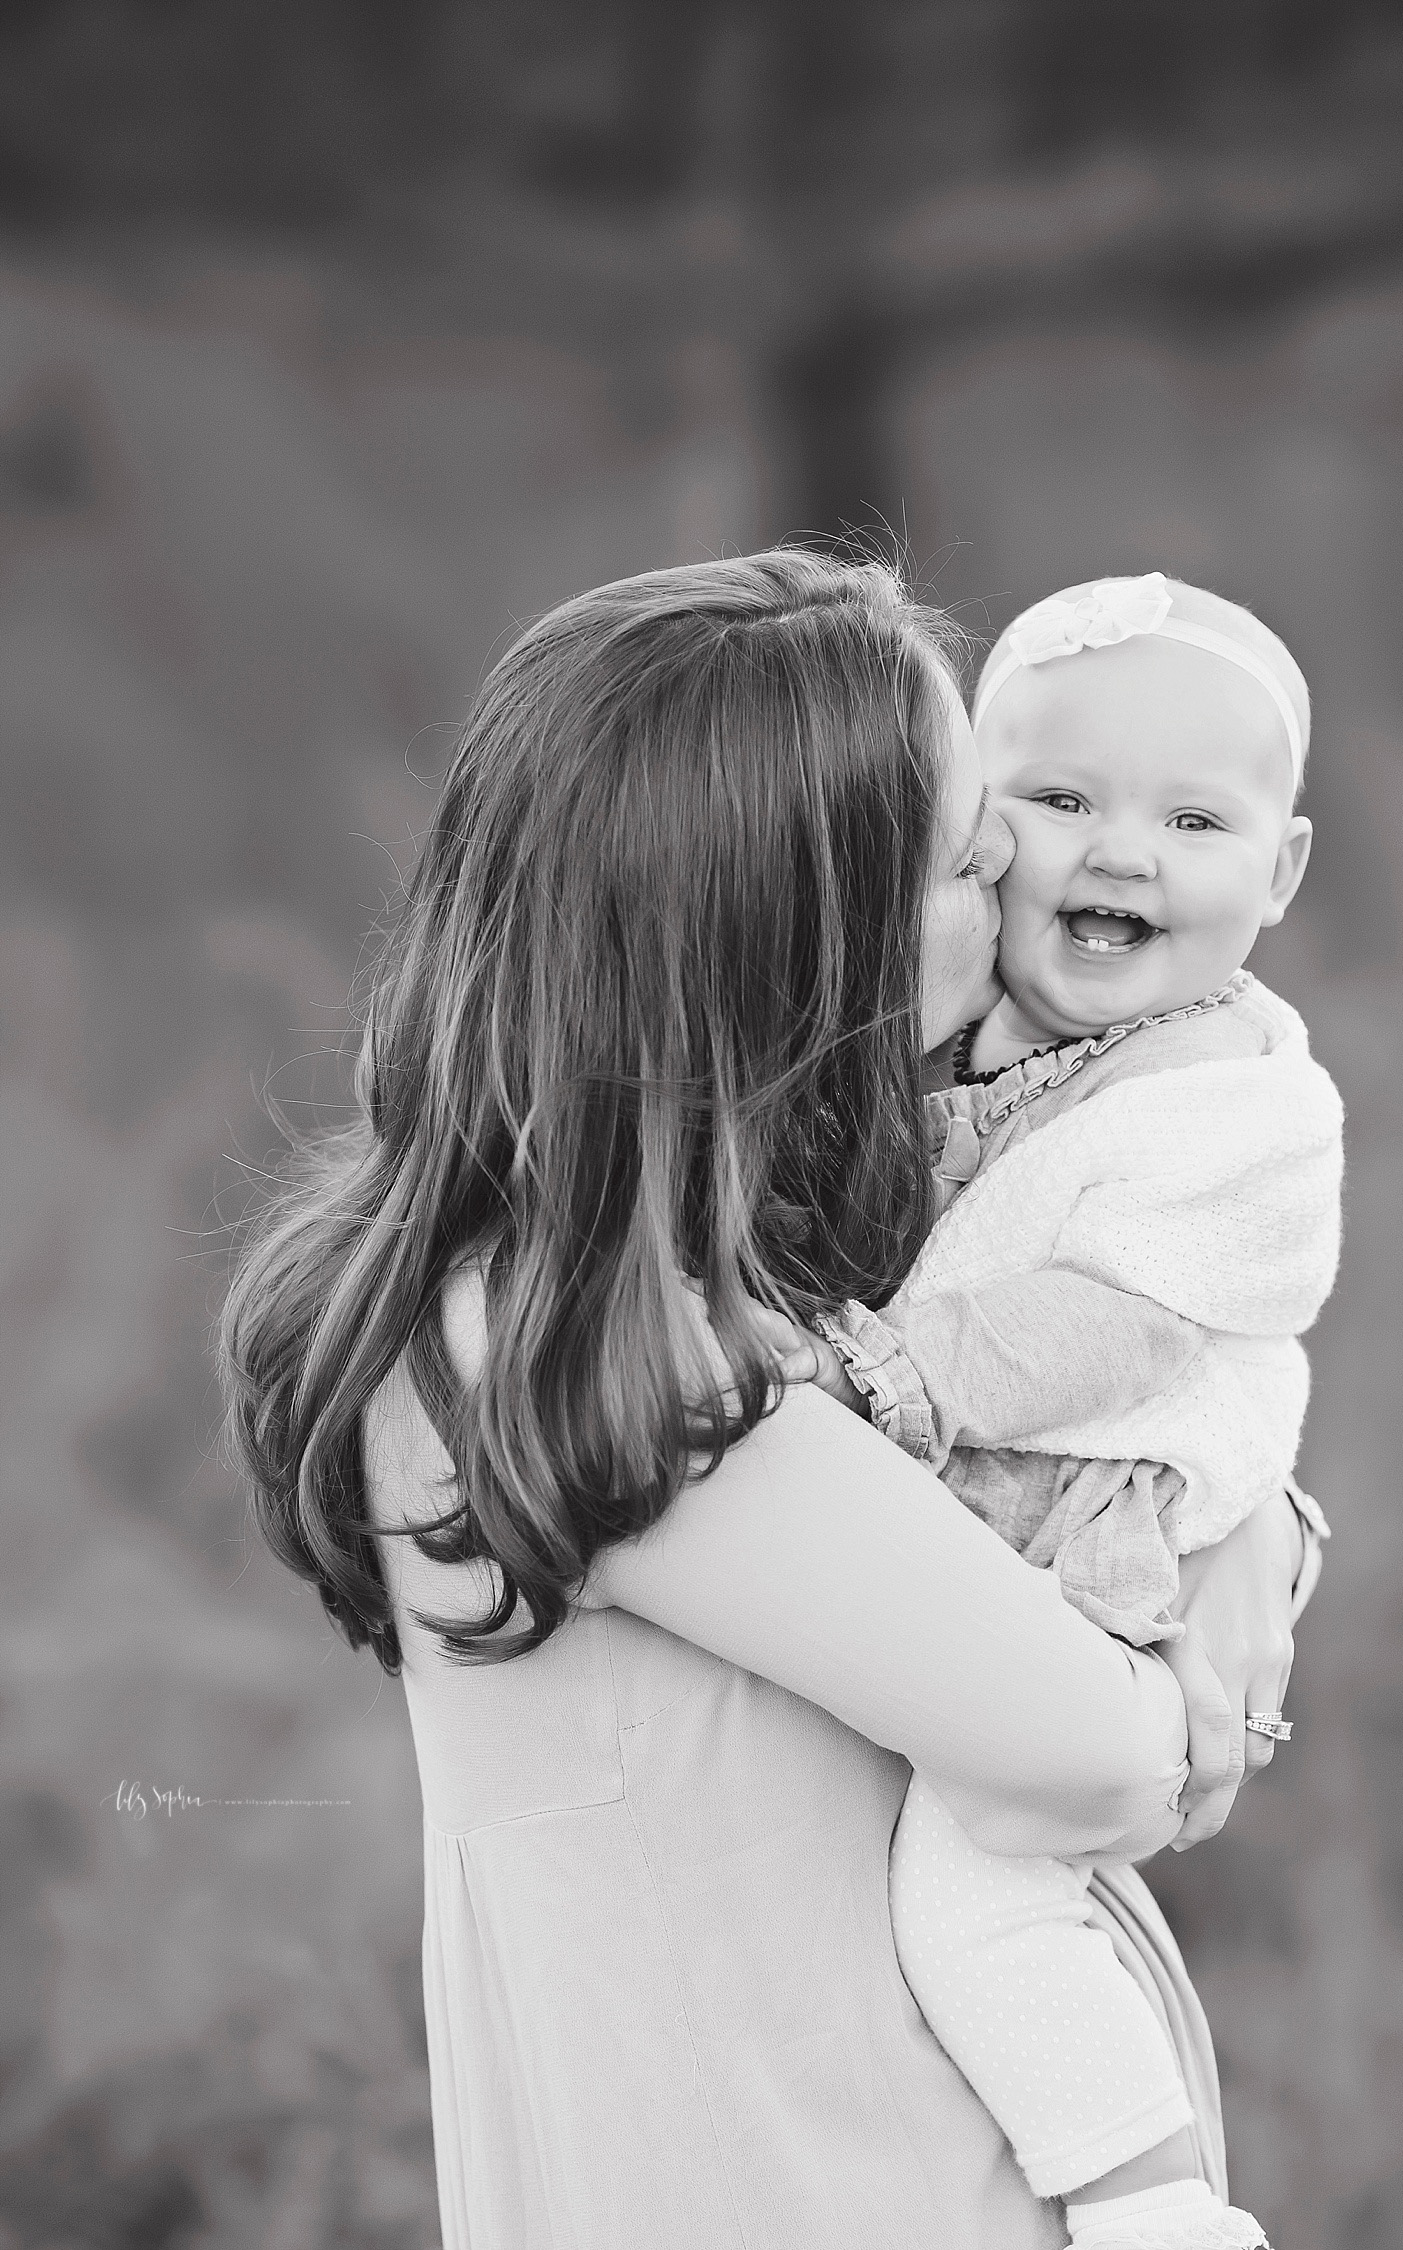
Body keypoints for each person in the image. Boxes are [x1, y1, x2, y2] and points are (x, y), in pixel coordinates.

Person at [219, 551, 1318, 2249]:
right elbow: (1097, 1749)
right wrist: (1208, 1643)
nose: (1028, 866)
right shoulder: (586, 1352)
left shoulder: (717, 1285)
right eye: (970, 851)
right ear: (800, 937)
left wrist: (1246, 1526)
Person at [780, 572, 1338, 2250]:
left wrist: (898, 1371)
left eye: (1191, 818)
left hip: (1090, 1535)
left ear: (1283, 870)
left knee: (978, 1899)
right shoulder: (955, 1035)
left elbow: (1116, 1319)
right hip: (969, 1541)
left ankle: (1151, 2204)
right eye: (1060, 798)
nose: (1121, 854)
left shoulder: (1232, 1097)